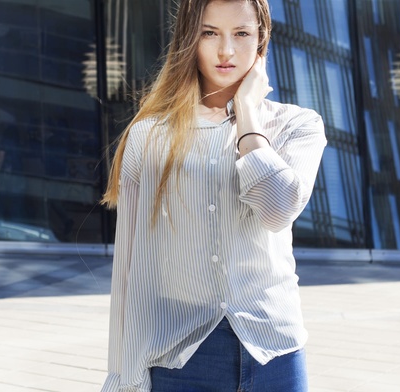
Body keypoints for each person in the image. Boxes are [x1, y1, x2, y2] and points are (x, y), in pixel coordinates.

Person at [100, 0, 327, 390]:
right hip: (181, 358)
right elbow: (131, 276)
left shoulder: (297, 126)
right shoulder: (149, 136)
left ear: (261, 41)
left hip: (274, 352)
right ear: (190, 39)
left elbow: (278, 210)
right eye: (210, 33)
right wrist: (125, 378)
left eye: (241, 34)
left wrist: (247, 115)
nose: (226, 51)